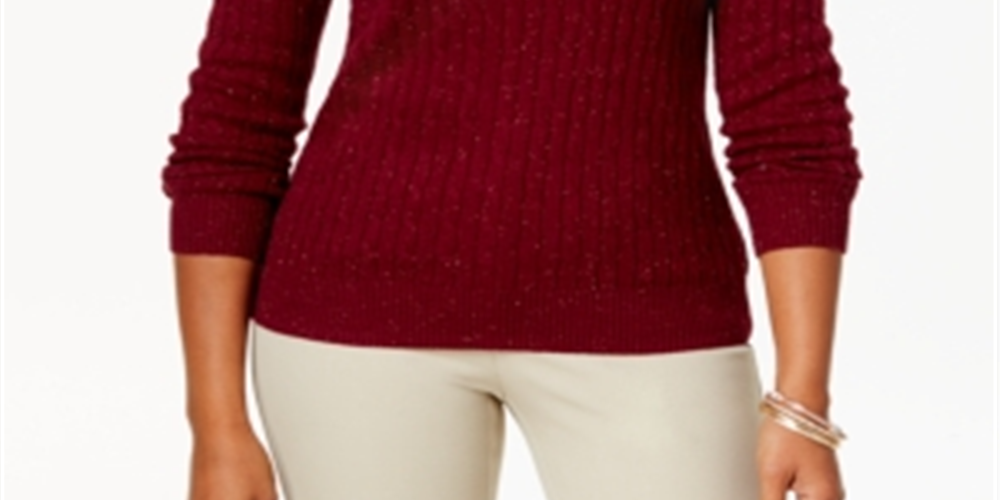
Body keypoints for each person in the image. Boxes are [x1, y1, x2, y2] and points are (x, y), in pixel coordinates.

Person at [161, 0, 862, 498]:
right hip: (353, 320)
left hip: (653, 317)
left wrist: (802, 402)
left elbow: (788, 115)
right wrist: (216, 426)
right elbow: (238, 109)